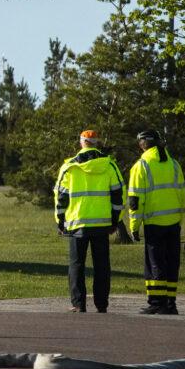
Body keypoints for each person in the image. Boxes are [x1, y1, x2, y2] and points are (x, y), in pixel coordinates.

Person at [54, 129, 125, 313]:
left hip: (77, 223)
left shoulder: (69, 167)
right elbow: (118, 195)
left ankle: (78, 304)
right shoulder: (109, 165)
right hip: (102, 224)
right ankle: (101, 304)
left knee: (76, 265)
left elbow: (61, 197)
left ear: (81, 143)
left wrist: (60, 221)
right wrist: (115, 220)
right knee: (102, 265)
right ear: (96, 143)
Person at [128, 129, 185, 315]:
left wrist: (134, 227)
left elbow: (135, 201)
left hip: (154, 222)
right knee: (171, 262)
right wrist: (179, 219)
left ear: (143, 143)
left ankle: (156, 302)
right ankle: (170, 303)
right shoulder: (174, 164)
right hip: (173, 222)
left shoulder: (142, 165)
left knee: (154, 263)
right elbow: (182, 194)